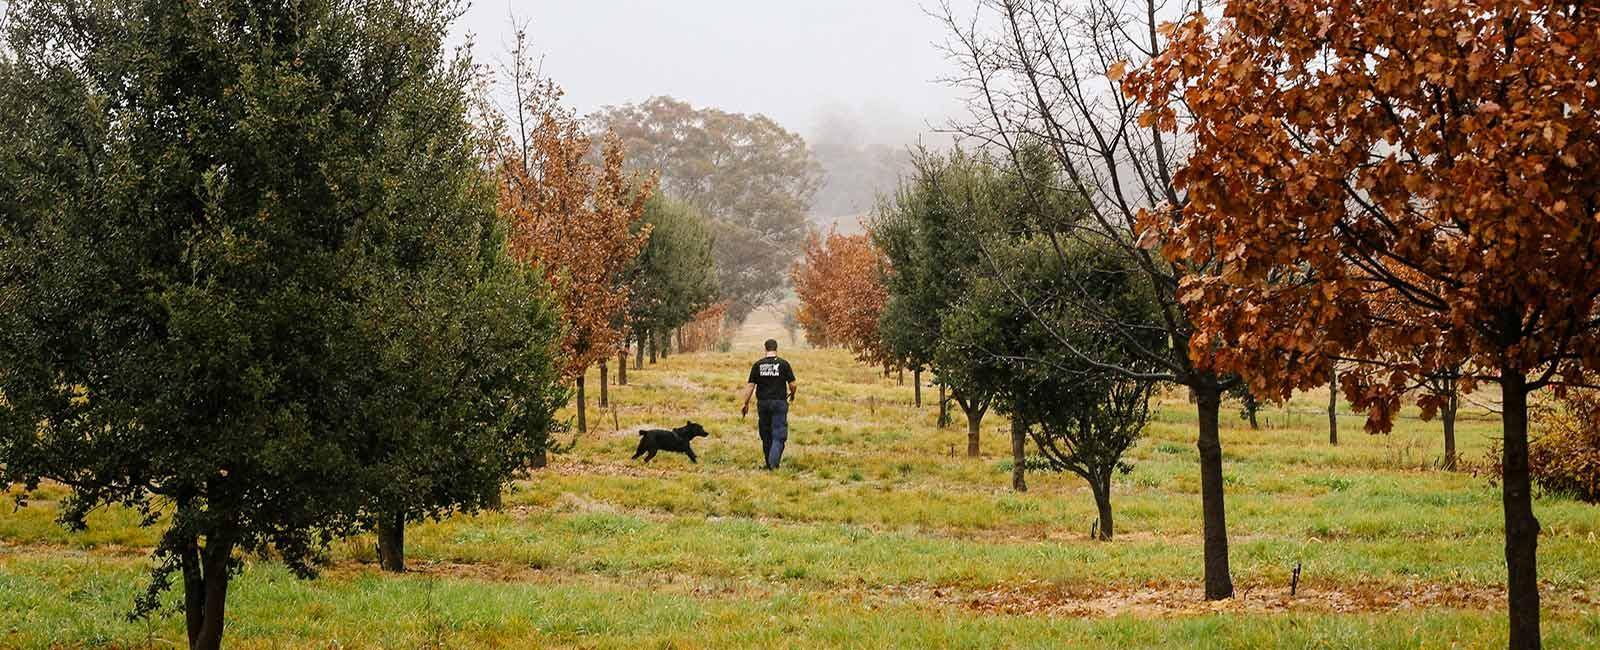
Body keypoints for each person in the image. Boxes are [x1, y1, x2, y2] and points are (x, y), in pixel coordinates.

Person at [740, 338, 796, 469]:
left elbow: (750, 387)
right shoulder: (784, 364)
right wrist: (792, 394)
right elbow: (793, 384)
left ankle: (769, 463)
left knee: (766, 434)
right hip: (779, 403)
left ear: (765, 349)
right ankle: (773, 463)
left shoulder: (758, 365)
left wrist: (745, 403)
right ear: (776, 349)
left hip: (763, 404)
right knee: (779, 434)